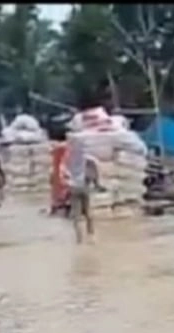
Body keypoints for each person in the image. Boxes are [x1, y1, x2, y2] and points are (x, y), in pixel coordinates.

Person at [65, 88, 106, 244]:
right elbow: (92, 169)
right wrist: (97, 183)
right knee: (88, 212)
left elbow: (64, 171)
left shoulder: (70, 155)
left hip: (73, 187)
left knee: (76, 215)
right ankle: (91, 236)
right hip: (84, 186)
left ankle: (78, 239)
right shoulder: (87, 154)